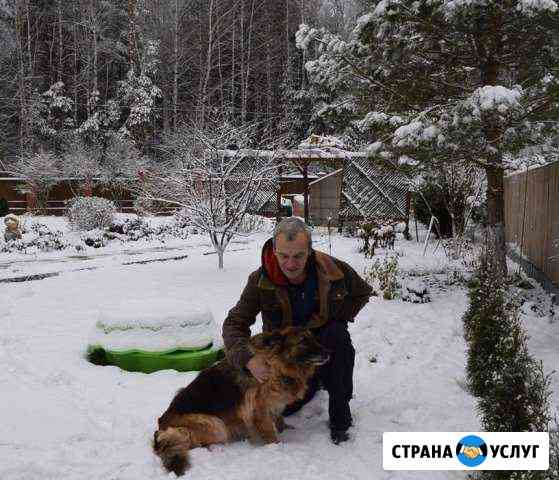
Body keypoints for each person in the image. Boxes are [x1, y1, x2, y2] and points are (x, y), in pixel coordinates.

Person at [222, 217, 373, 444]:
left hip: (320, 344)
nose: (291, 264)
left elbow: (362, 292)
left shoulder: (333, 270)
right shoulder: (259, 280)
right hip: (286, 357)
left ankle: (340, 413)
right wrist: (249, 360)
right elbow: (234, 323)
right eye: (284, 255)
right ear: (274, 251)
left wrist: (338, 319)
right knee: (287, 409)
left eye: (298, 256)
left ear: (309, 252)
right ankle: (316, 381)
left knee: (337, 336)